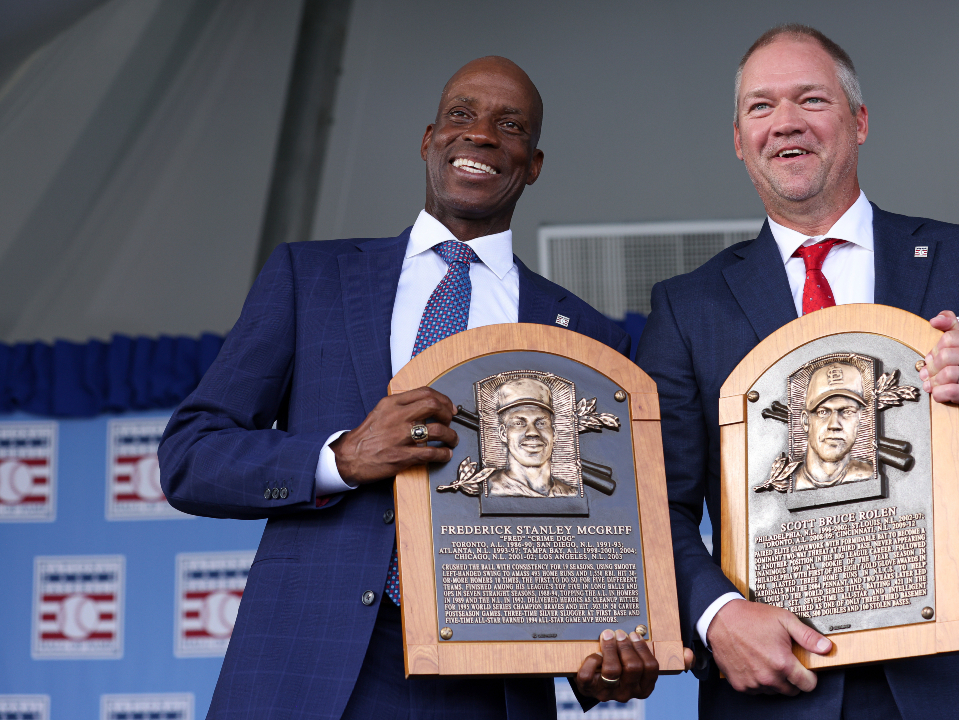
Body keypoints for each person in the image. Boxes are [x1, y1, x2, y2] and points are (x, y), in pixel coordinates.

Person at [160, 56, 678, 720]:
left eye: (509, 125)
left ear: (534, 161)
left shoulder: (588, 340)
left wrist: (597, 666)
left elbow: (595, 545)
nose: (482, 135)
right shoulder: (310, 277)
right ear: (429, 139)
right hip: (306, 672)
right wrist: (341, 458)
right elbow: (191, 455)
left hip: (486, 690)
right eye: (462, 115)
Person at [636, 25, 959, 719]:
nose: (786, 123)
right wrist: (718, 615)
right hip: (780, 685)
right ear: (739, 139)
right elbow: (659, 509)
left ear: (858, 122)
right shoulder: (688, 308)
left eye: (811, 100)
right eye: (760, 108)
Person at [488, 376, 577, 498]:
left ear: (554, 433)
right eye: (519, 423)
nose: (532, 432)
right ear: (503, 433)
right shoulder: (490, 489)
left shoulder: (571, 493)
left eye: (541, 423)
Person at [795, 360, 872, 491]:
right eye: (823, 412)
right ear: (805, 421)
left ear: (859, 419)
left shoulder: (870, 475)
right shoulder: (786, 482)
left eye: (847, 412)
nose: (834, 424)